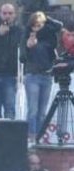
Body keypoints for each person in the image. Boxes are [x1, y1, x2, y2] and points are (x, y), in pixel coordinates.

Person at [21, 11, 63, 139]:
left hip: (46, 76)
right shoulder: (27, 36)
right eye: (34, 25)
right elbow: (22, 57)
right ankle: (31, 136)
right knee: (33, 110)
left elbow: (59, 26)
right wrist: (29, 46)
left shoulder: (49, 37)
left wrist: (46, 18)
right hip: (32, 75)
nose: (37, 28)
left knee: (42, 112)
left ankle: (40, 137)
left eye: (39, 25)